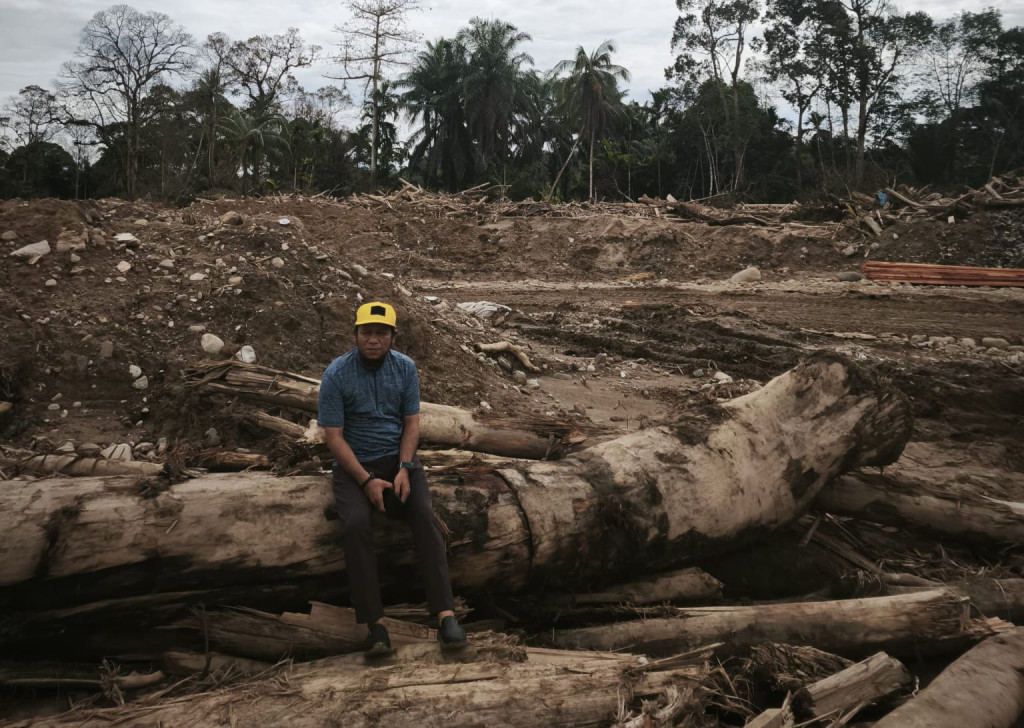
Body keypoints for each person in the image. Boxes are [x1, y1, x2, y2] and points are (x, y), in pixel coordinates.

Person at [318, 301, 467, 656]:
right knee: (355, 524)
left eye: (381, 333)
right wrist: (367, 480)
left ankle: (446, 615)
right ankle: (376, 625)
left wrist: (404, 467)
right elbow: (333, 437)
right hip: (354, 466)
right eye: (366, 332)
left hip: (398, 461)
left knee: (423, 517)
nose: (373, 339)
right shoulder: (336, 374)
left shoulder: (405, 369)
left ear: (392, 336)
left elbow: (412, 425)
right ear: (355, 334)